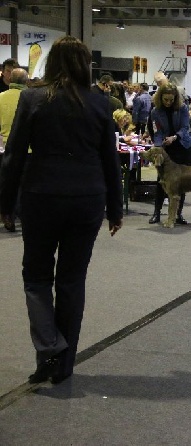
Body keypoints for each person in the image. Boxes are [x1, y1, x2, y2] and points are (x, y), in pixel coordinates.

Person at [0, 36, 123, 385]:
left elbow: (13, 157)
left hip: (41, 196)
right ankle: (64, 363)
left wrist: (5, 205)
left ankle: (48, 350)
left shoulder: (32, 98)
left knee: (36, 278)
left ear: (52, 63)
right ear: (86, 65)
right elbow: (110, 161)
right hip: (87, 199)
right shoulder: (101, 103)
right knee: (71, 281)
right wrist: (115, 208)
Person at [148, 82, 191, 225]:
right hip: (166, 148)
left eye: (171, 99)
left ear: (176, 98)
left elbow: (186, 127)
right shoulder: (155, 112)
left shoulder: (182, 108)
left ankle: (178, 214)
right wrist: (158, 148)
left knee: (181, 182)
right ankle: (157, 213)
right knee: (161, 181)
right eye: (165, 100)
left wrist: (174, 137)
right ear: (160, 97)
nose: (168, 102)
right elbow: (156, 132)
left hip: (183, 146)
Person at [0, 67, 29, 231]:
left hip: (6, 148)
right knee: (26, 185)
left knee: (8, 184)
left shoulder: (1, 97)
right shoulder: (30, 98)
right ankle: (25, 217)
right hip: (28, 149)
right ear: (26, 81)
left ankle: (7, 215)